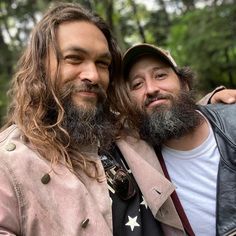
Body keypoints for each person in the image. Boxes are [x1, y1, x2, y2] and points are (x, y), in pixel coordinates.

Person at [0, 2, 235, 236]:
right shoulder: (10, 165)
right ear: (40, 65)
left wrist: (215, 108)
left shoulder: (121, 131)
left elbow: (171, 113)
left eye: (102, 63)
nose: (92, 75)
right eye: (74, 58)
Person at [112, 43, 236, 236]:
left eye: (160, 75)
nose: (151, 89)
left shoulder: (231, 120)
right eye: (137, 84)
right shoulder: (137, 155)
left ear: (184, 83)